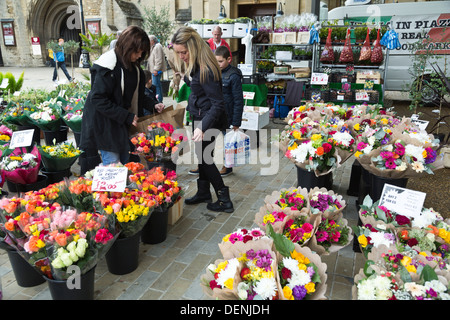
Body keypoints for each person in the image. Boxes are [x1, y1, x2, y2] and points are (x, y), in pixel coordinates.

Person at [171, 26, 234, 213]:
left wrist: (202, 127)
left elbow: (218, 104)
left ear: (193, 47)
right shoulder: (198, 65)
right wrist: (186, 78)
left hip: (208, 120)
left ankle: (224, 199)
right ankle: (203, 192)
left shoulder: (206, 68)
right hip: (201, 117)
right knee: (202, 157)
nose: (181, 56)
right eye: (178, 53)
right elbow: (200, 88)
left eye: (183, 52)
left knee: (206, 159)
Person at [79, 25, 156, 169]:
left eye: (142, 52)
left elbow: (136, 95)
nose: (139, 56)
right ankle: (113, 191)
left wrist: (153, 105)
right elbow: (98, 99)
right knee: (113, 167)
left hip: (121, 124)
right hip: (106, 125)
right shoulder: (107, 65)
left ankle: (122, 190)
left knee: (126, 164)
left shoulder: (134, 67)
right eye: (137, 52)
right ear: (128, 47)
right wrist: (125, 115)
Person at [215, 45, 244, 177]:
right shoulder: (216, 72)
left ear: (229, 59)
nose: (218, 64)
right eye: (216, 61)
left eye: (221, 61)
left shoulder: (234, 75)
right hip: (217, 113)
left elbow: (238, 100)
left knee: (228, 142)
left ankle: (228, 166)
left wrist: (236, 122)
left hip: (228, 115)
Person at [147, 35, 167, 103]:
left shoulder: (157, 46)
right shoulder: (154, 46)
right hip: (154, 70)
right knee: (157, 85)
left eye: (149, 40)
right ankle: (159, 100)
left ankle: (159, 100)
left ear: (152, 41)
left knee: (156, 86)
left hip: (156, 70)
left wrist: (156, 69)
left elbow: (158, 59)